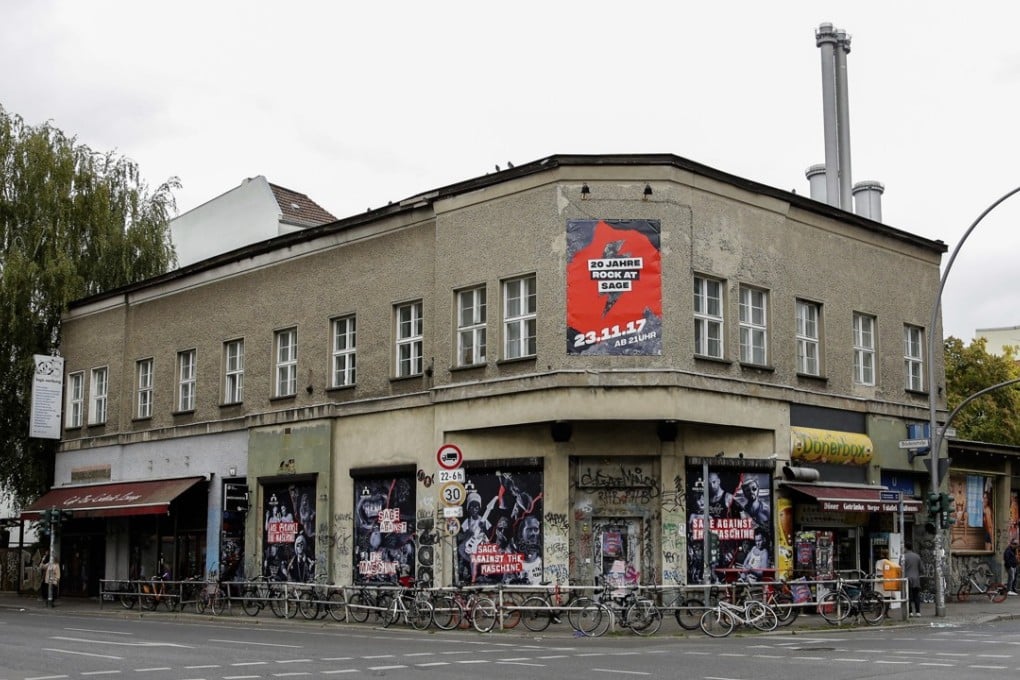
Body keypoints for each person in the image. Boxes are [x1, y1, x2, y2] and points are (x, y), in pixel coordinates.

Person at [902, 543, 923, 616]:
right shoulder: (917, 556)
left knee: (908, 596)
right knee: (916, 596)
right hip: (916, 579)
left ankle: (910, 612)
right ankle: (918, 612)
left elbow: (900, 568)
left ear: (905, 548)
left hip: (907, 579)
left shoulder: (903, 557)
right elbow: (921, 568)